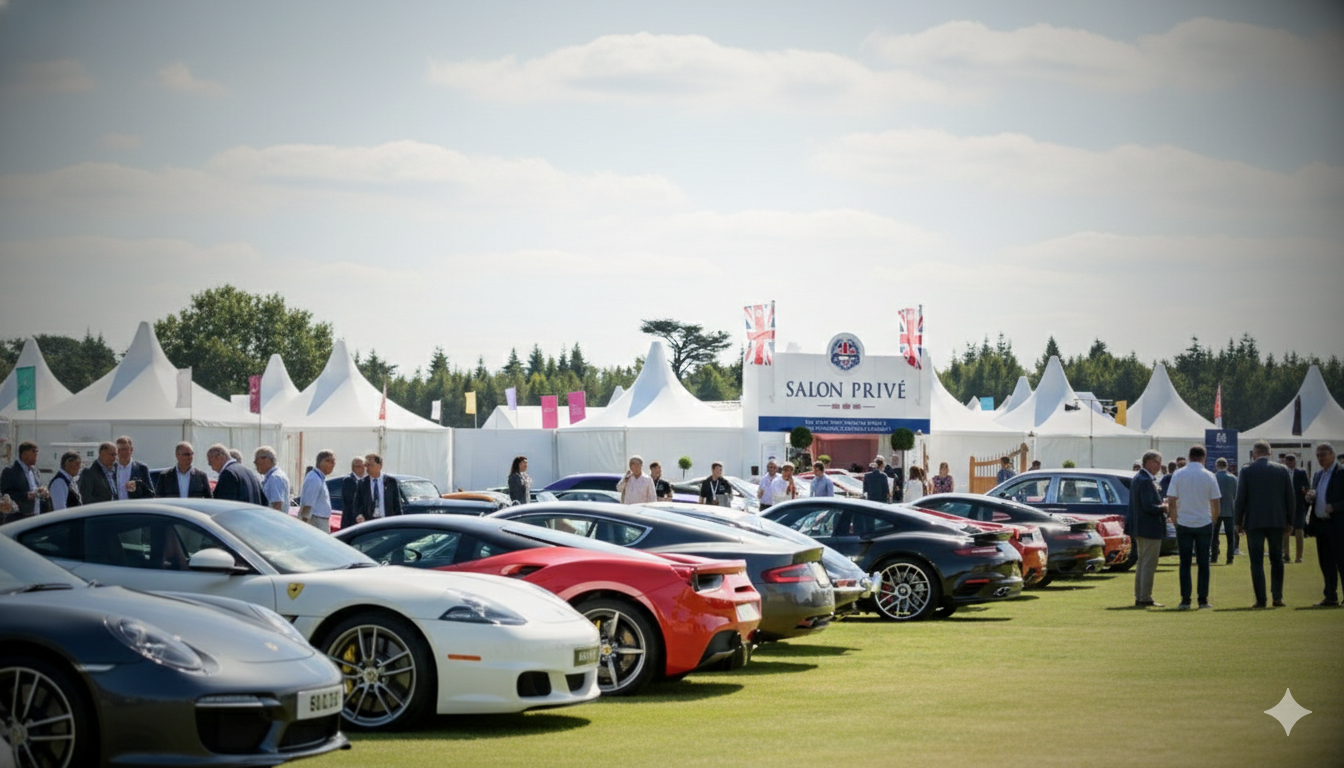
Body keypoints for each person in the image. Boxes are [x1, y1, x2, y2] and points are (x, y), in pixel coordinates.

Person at [1234, 440, 1295, 608]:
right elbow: (1290, 498)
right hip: (1277, 521)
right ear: (1270, 453)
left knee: (1256, 561)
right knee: (1277, 559)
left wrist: (1237, 522)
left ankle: (1261, 599)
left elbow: (1240, 499)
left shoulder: (1247, 470)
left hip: (1254, 521)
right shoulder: (1282, 470)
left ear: (1254, 454)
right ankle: (1277, 596)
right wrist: (1290, 521)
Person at [1166, 445, 1222, 609]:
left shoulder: (1178, 474)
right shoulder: (1209, 475)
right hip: (1204, 521)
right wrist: (1213, 519)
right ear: (1204, 458)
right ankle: (1203, 600)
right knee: (1203, 563)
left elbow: (1171, 500)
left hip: (1184, 522)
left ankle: (1185, 599)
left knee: (1185, 563)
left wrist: (1175, 520)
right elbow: (1216, 502)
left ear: (1189, 457)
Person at [1129, 450, 1170, 608]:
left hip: (1141, 527)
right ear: (1147, 462)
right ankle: (1145, 597)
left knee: (1142, 563)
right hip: (1149, 527)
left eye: (1160, 462)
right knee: (1148, 563)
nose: (1159, 466)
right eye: (1156, 462)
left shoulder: (1139, 477)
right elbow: (1149, 506)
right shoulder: (1145, 480)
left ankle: (1141, 595)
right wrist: (1164, 507)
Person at [1306, 443, 1343, 607]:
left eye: (1323, 455)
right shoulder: (1318, 474)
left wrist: (1335, 506)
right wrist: (1310, 497)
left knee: (1342, 561)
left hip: (1338, 525)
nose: (1320, 458)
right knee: (1326, 563)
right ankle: (1330, 596)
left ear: (1333, 455)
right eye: (1318, 455)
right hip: (1322, 524)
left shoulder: (1341, 473)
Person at [1, 441, 52, 521]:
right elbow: (5, 495)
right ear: (24, 454)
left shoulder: (35, 471)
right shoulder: (10, 471)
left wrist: (43, 491)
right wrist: (26, 495)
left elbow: (39, 487)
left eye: (36, 452)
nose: (36, 455)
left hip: (36, 515)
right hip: (18, 518)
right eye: (33, 452)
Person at [354, 453, 402, 523]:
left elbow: (397, 505)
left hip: (387, 521)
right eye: (367, 465)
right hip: (369, 522)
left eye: (371, 465)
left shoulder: (391, 482)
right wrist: (359, 515)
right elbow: (357, 504)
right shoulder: (362, 483)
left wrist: (399, 522)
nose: (368, 468)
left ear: (380, 466)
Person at [299, 450, 337, 532]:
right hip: (315, 520)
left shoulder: (320, 478)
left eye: (333, 462)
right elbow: (308, 504)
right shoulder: (314, 478)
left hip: (320, 519)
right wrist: (304, 525)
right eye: (329, 461)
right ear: (320, 462)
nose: (332, 465)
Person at [1211, 458, 1238, 564]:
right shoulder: (1233, 478)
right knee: (1230, 536)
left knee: (1214, 535)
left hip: (1215, 511)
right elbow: (1236, 495)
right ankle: (1230, 558)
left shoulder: (1213, 477)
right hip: (1229, 510)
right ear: (1227, 465)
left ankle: (1213, 556)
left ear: (1217, 466)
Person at [1283, 453, 1309, 563]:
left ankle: (1299, 556)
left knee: (1299, 530)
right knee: (1285, 531)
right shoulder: (1281, 472)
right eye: (1288, 460)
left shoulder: (1301, 473)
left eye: (1291, 460)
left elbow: (1307, 486)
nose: (1290, 462)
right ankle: (1286, 555)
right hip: (1284, 506)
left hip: (1299, 505)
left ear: (1295, 461)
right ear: (1285, 462)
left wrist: (1305, 490)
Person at [113, 435, 154, 500]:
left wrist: (137, 485)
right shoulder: (111, 469)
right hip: (116, 508)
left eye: (126, 449)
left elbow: (151, 494)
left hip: (134, 507)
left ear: (131, 450)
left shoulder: (141, 468)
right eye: (120, 450)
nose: (123, 453)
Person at [254, 446, 290, 512]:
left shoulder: (275, 478)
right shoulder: (271, 477)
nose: (255, 463)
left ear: (266, 460)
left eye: (257, 460)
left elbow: (277, 505)